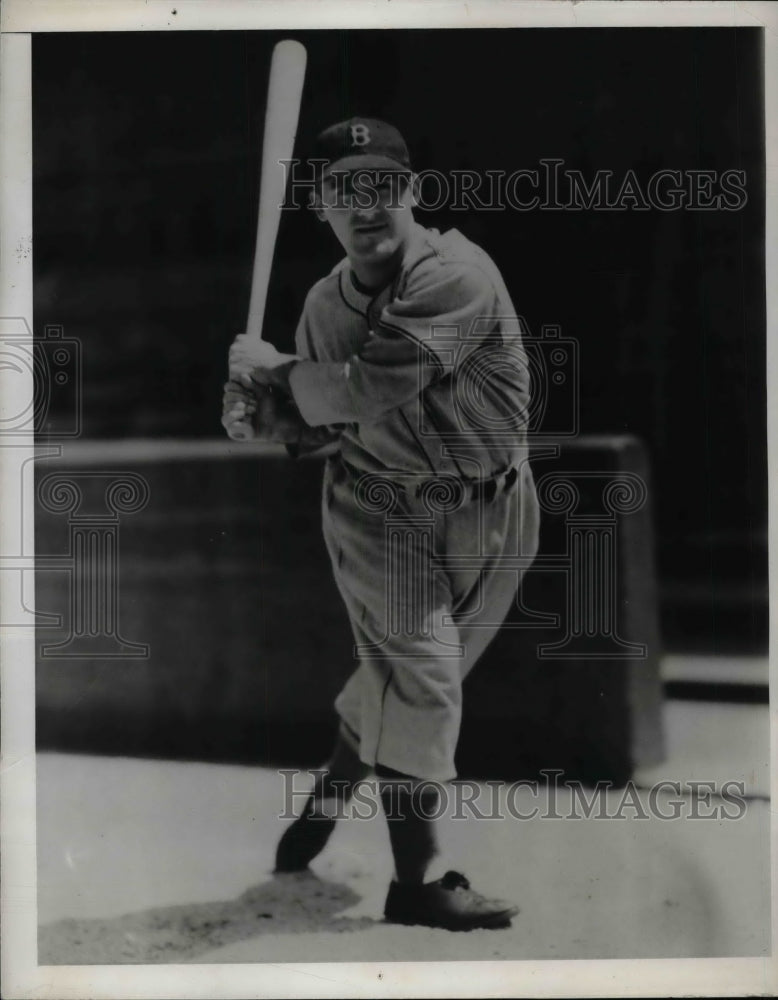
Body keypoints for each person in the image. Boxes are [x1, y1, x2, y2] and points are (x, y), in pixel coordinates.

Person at [223, 117, 540, 931]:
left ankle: (327, 800)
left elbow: (371, 386)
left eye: (382, 187)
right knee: (428, 674)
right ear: (322, 209)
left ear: (414, 194)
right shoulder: (324, 304)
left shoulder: (459, 274)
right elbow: (322, 429)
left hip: (497, 504)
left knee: (408, 681)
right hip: (378, 509)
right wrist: (259, 418)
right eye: (342, 192)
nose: (366, 208)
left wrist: (279, 379)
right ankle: (419, 883)